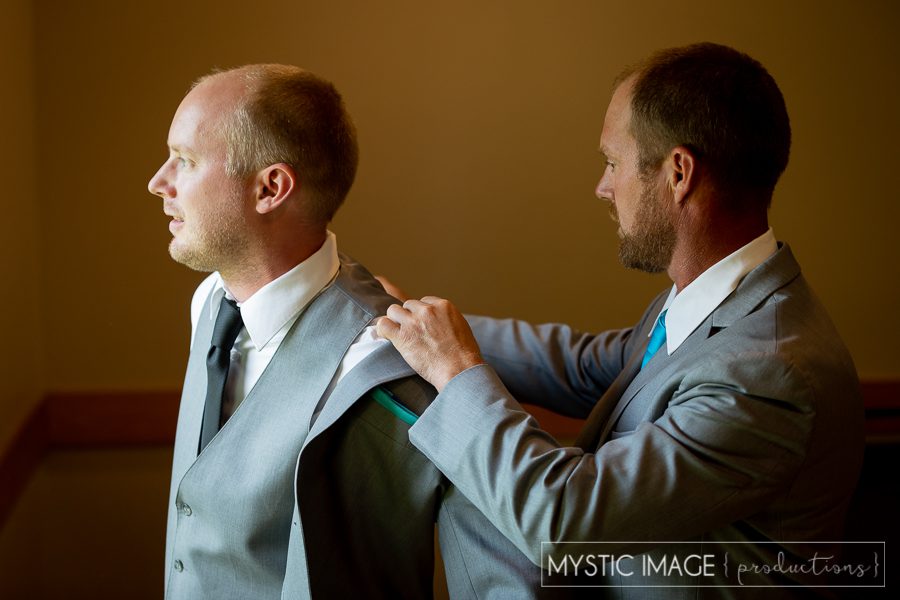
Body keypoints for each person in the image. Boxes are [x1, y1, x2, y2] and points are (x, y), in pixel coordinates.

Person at [378, 43, 865, 596]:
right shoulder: (711, 302)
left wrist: (455, 371)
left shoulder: (768, 372)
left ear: (678, 173)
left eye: (612, 162)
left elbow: (563, 518)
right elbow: (584, 365)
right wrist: (422, 325)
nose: (602, 187)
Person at [148, 64, 566, 599]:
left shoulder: (384, 360)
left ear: (270, 188)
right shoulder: (209, 301)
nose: (159, 182)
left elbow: (510, 573)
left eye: (184, 160)